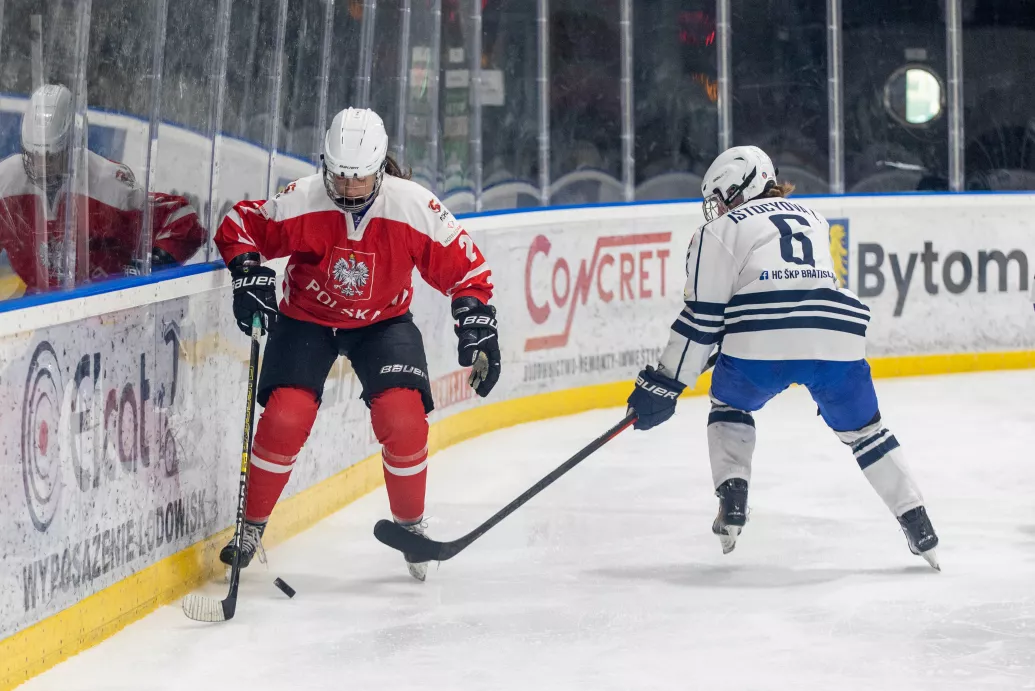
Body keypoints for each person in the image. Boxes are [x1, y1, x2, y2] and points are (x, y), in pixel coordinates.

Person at [214, 107, 500, 581]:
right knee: (285, 417)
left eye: (360, 178)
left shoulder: (413, 206)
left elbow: (467, 268)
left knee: (403, 419)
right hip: (307, 319)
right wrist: (246, 272)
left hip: (383, 324)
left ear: (381, 169)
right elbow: (240, 226)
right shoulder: (303, 199)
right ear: (325, 165)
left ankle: (410, 528)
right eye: (340, 176)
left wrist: (476, 322)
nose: (348, 189)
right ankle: (251, 528)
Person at [625, 145, 940, 569]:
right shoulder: (813, 218)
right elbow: (800, 292)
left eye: (720, 197)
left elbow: (703, 320)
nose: (717, 208)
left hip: (760, 348)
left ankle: (733, 499)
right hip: (836, 338)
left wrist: (665, 383)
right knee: (868, 432)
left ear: (740, 188)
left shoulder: (718, 231)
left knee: (729, 406)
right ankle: (918, 522)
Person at [0, 84, 205, 294]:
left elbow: (182, 219)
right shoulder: (6, 183)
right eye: (34, 157)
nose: (42, 168)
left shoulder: (106, 185)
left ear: (72, 146)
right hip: (39, 303)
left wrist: (152, 266)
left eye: (52, 158)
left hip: (106, 305)